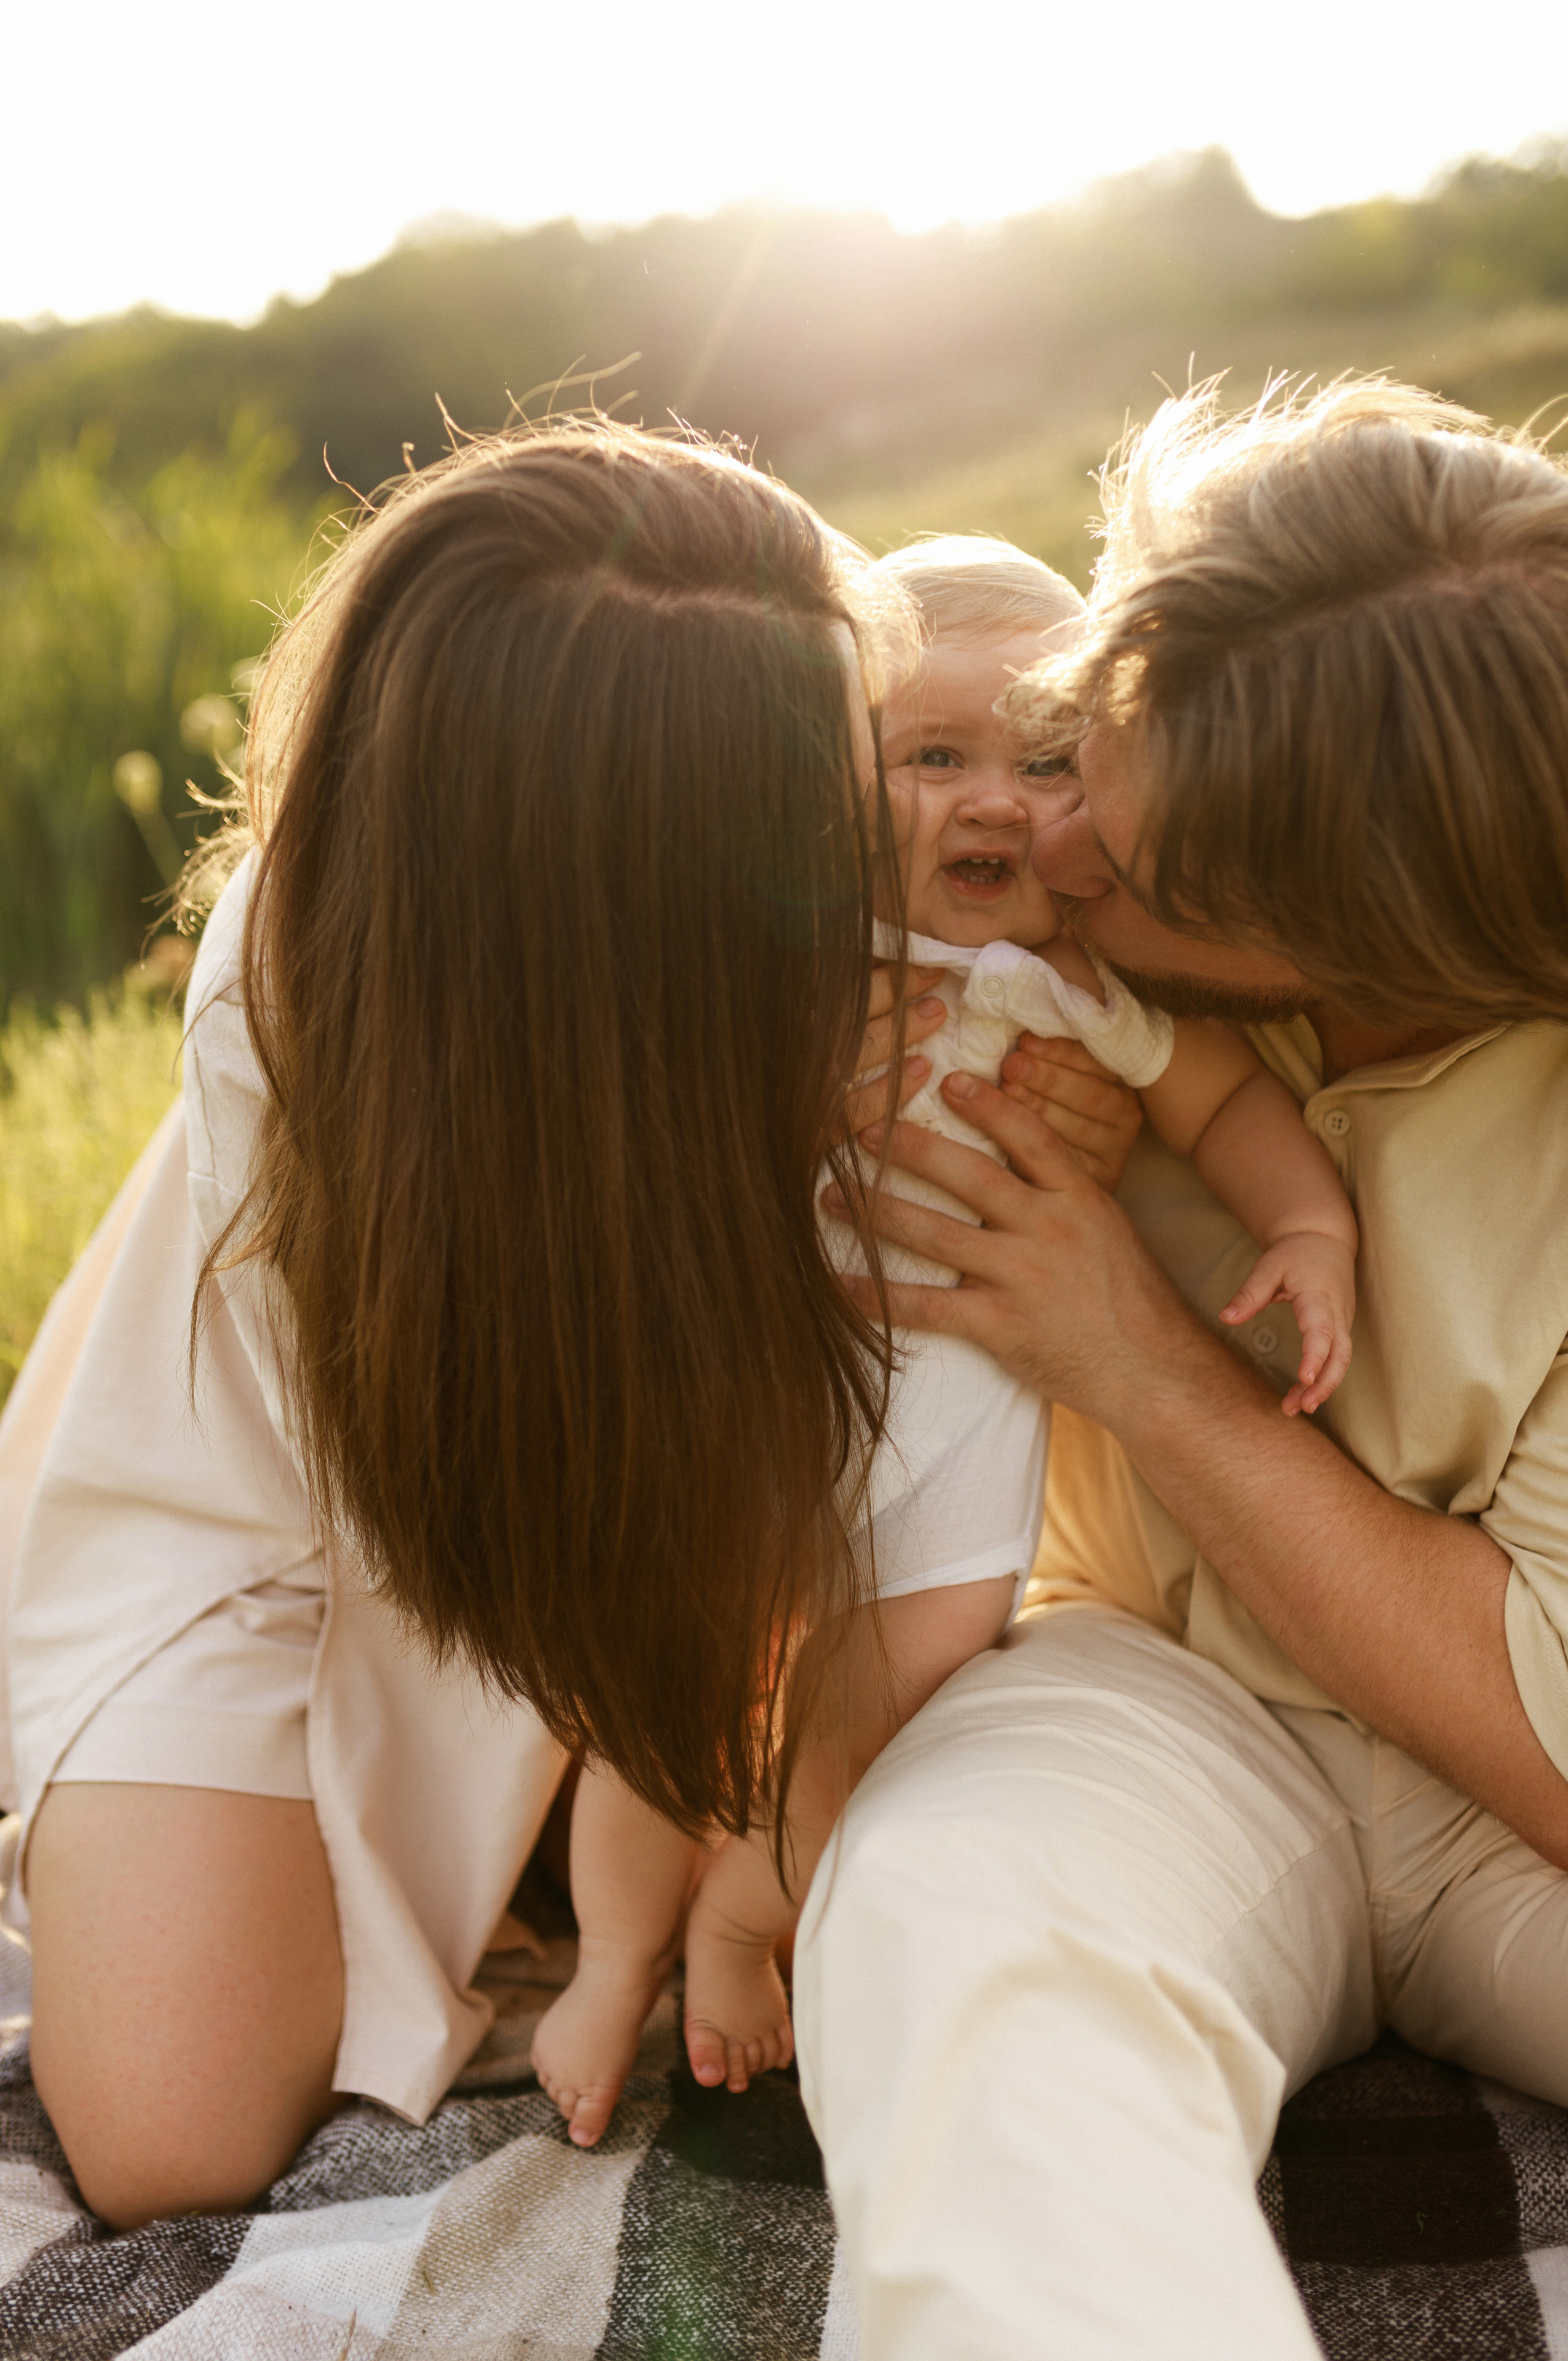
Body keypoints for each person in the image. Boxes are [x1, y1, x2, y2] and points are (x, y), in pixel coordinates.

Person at [0, 420, 1004, 2229]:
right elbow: (402, 1461)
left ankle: (570, 1838)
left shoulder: (870, 962)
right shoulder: (307, 960)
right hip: (286, 1523)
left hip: (657, 1528)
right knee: (174, 2132)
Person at [794, 375, 1568, 2360]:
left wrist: (1135, 1357)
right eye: (1068, 751)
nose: (1043, 842)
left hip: (1523, 1801)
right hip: (1175, 1695)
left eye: (1126, 858)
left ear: (1353, 924)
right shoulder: (1035, 957)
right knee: (950, 1929)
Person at [534, 535, 1358, 2147]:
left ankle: (747, 1916)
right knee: (680, 1688)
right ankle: (610, 1956)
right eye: (934, 756)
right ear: (831, 787)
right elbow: (645, 1122)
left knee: (898, 1698)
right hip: (776, 1399)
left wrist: (1309, 1227)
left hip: (965, 1437)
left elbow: (1229, 1097)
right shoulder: (790, 966)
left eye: (1040, 759)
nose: (993, 798)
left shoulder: (1076, 982)